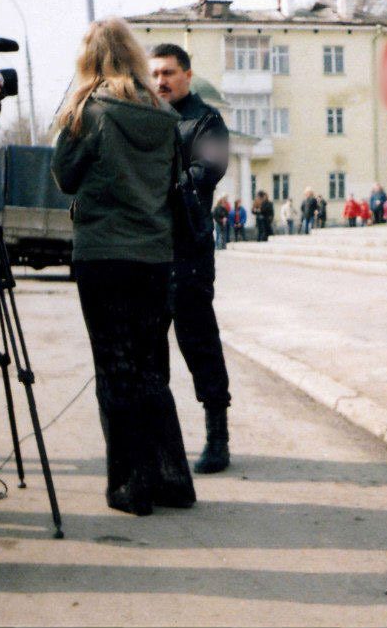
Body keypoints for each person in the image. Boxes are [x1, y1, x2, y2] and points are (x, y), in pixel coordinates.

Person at [52, 19, 195, 516]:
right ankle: (173, 479)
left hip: (103, 253)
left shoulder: (89, 110)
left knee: (115, 369)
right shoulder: (161, 111)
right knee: (151, 366)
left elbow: (66, 178)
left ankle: (131, 486)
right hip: (154, 253)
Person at [150, 43, 234, 474]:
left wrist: (152, 191)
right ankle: (162, 444)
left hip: (189, 248)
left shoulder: (207, 121)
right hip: (150, 248)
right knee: (149, 349)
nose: (160, 81)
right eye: (155, 74)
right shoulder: (147, 117)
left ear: (186, 74)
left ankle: (217, 437)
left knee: (198, 341)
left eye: (168, 72)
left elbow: (207, 171)